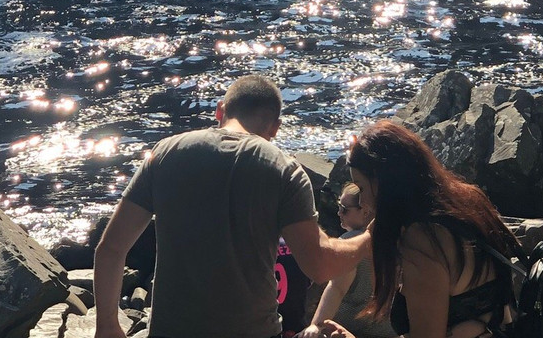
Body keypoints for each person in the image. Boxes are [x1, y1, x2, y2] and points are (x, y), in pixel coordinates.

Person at [93, 76, 371, 338]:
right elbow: (318, 266)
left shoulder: (165, 153)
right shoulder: (284, 170)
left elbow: (111, 249)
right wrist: (370, 237)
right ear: (275, 127)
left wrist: (107, 326)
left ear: (219, 110)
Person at [319, 120, 520, 338]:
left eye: (362, 188)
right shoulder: (466, 201)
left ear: (384, 183)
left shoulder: (423, 241)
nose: (364, 202)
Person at [296, 185, 396, 338]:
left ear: (365, 211)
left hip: (347, 329)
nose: (338, 213)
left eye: (344, 209)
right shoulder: (394, 243)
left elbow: (337, 289)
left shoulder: (351, 241)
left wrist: (315, 326)